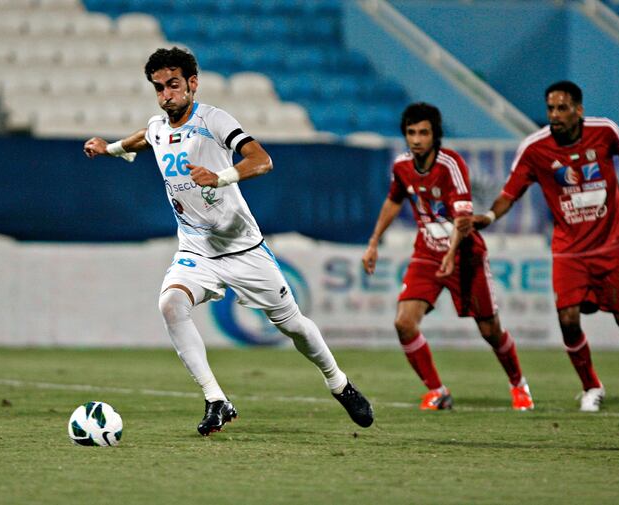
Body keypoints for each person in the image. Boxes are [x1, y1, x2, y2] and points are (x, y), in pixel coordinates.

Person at [83, 47, 373, 435]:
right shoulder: (158, 126)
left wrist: (221, 177)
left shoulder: (213, 120)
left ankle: (338, 383)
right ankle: (216, 400)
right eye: (159, 88)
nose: (166, 94)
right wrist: (112, 149)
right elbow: (147, 137)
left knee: (294, 327)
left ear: (192, 84)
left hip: (243, 249)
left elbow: (262, 159)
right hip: (196, 249)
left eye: (173, 85)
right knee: (171, 304)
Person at [461, 81, 619, 412]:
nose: (555, 115)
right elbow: (510, 193)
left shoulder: (605, 131)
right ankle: (591, 386)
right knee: (567, 318)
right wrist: (489, 216)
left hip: (610, 245)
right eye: (550, 108)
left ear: (579, 110)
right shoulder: (534, 149)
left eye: (562, 108)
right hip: (569, 250)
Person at [361, 102, 533, 411]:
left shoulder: (451, 165)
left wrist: (452, 253)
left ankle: (519, 385)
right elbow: (393, 201)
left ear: (435, 135)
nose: (416, 140)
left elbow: (464, 219)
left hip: (464, 255)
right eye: (411, 133)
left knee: (489, 330)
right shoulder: (401, 166)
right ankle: (438, 391)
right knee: (404, 323)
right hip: (427, 254)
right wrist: (374, 242)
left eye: (423, 133)